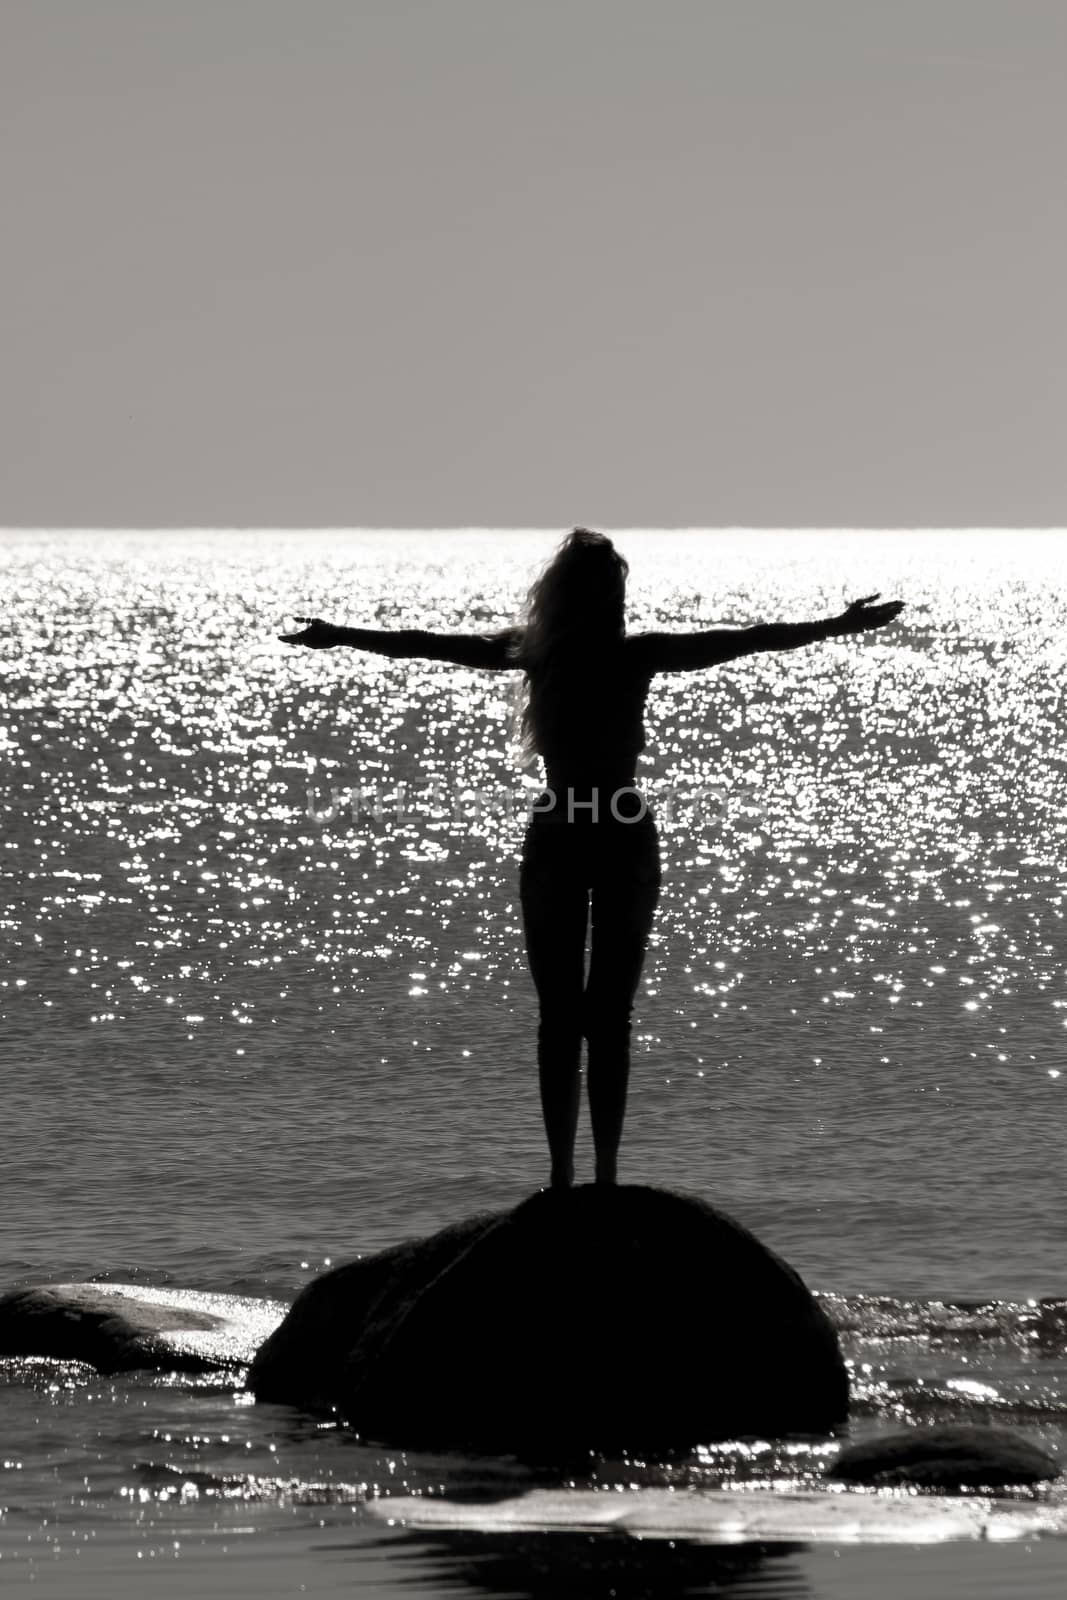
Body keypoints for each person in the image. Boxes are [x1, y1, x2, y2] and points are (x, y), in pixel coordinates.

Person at [280, 528, 903, 1189]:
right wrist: (837, 626)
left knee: (571, 1017)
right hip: (616, 830)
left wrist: (340, 633)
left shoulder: (544, 655)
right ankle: (592, 1178)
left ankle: (570, 1178)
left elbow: (422, 645)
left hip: (567, 830)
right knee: (600, 1016)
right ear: (605, 598)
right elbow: (747, 639)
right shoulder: (608, 656)